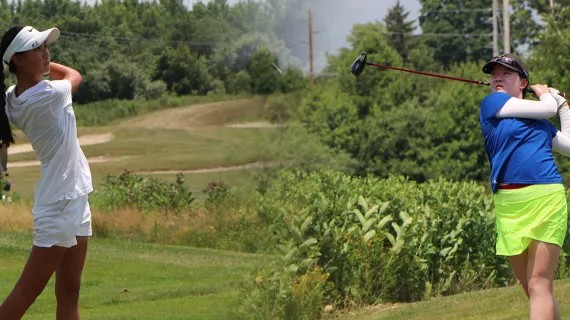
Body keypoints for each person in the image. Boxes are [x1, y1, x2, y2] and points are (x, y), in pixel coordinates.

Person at [0, 25, 93, 319]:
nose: (45, 52)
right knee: (27, 293)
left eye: (45, 47)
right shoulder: (46, 94)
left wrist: (37, 62)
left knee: (69, 291)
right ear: (17, 59)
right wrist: (47, 66)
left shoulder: (12, 96)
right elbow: (74, 76)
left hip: (73, 197)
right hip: (60, 202)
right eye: (37, 48)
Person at [479, 53, 570, 320]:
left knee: (539, 284)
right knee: (532, 290)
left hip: (545, 197)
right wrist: (546, 95)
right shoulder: (493, 103)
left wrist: (563, 106)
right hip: (509, 204)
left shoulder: (541, 124)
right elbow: (546, 108)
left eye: (506, 73)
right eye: (494, 73)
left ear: (522, 82)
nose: (497, 77)